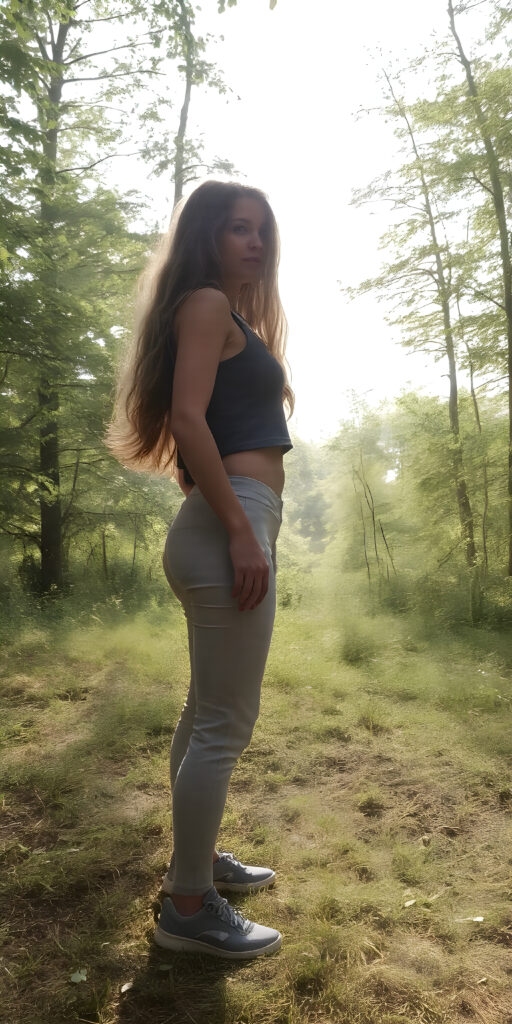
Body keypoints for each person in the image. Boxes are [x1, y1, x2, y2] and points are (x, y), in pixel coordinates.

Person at [104, 180, 294, 960]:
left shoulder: (225, 311)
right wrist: (242, 531)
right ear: (208, 240)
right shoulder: (208, 301)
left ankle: (196, 858)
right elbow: (187, 418)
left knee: (204, 710)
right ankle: (189, 906)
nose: (254, 242)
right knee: (225, 723)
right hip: (229, 528)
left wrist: (233, 519)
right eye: (237, 229)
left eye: (262, 230)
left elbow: (196, 423)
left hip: (222, 523)